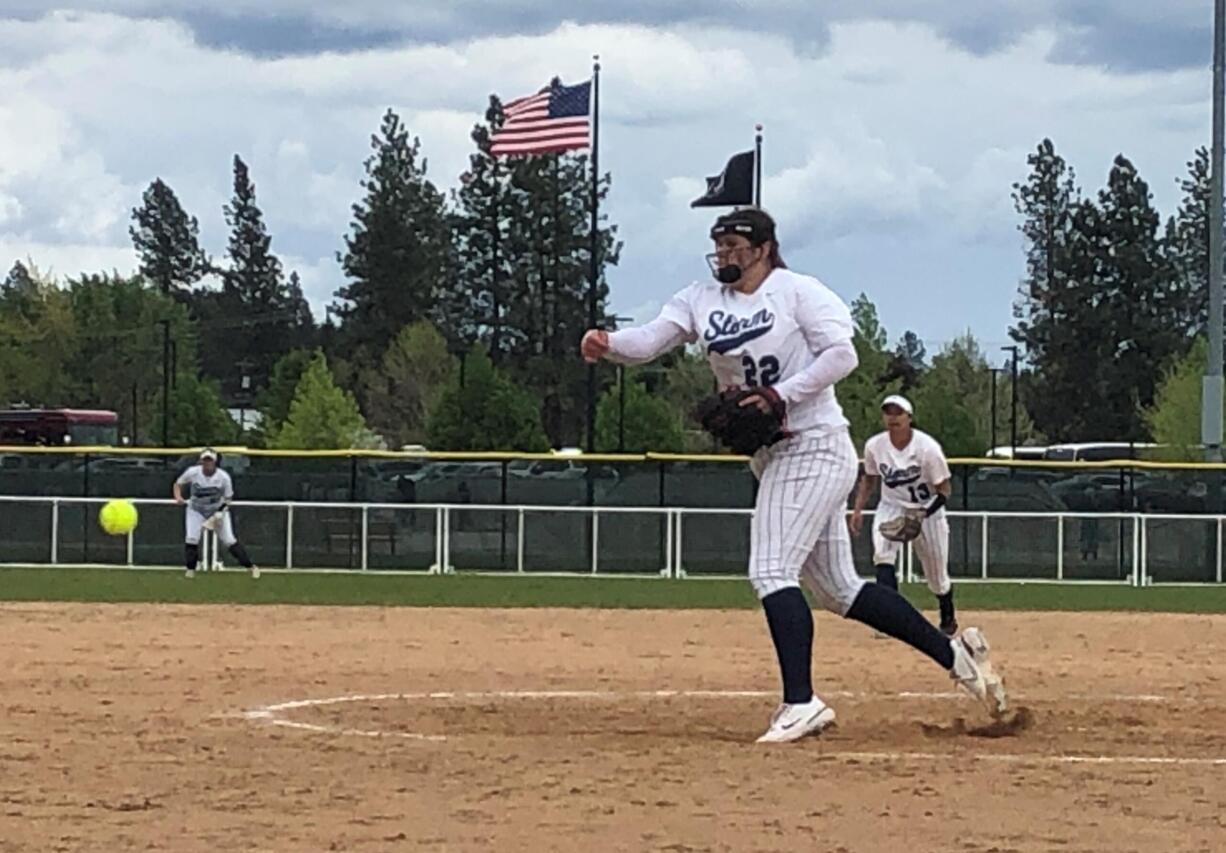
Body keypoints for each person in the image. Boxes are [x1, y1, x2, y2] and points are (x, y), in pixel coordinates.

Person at [581, 207, 1005, 743]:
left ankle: (800, 703)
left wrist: (782, 396)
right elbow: (650, 340)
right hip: (774, 454)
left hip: (815, 442)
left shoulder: (798, 292)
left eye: (736, 245)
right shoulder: (699, 299)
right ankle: (957, 657)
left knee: (770, 570)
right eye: (719, 246)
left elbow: (842, 356)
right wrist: (608, 342)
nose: (725, 256)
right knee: (839, 590)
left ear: (763, 248)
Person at [850, 395, 958, 636]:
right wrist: (857, 510)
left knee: (937, 576)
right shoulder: (874, 446)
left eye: (898, 412)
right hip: (892, 506)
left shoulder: (927, 448)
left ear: (909, 418)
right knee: (882, 555)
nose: (893, 417)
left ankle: (948, 617)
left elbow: (945, 491)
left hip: (927, 508)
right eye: (888, 412)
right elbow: (869, 479)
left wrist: (922, 514)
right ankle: (889, 619)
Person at [173, 448, 259, 579]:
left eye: (210, 461)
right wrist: (178, 497)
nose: (207, 464)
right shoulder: (193, 472)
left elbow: (228, 497)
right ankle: (190, 570)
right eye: (205, 461)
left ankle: (250, 567)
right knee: (191, 538)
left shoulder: (223, 477)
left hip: (217, 510)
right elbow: (178, 484)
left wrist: (219, 513)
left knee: (229, 540)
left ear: (215, 462)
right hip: (196, 509)